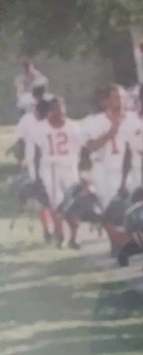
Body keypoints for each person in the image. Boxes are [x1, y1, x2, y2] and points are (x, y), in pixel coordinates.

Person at [31, 97, 83, 249]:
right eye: (55, 109)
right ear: (49, 111)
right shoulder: (41, 128)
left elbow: (83, 148)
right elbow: (37, 153)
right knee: (56, 203)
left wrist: (84, 170)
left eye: (61, 108)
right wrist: (37, 176)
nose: (59, 112)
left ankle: (74, 237)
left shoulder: (73, 126)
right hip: (51, 167)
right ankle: (61, 234)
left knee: (73, 203)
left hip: (70, 166)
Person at [16, 99, 54, 241]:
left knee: (43, 200)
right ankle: (52, 228)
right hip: (51, 165)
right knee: (51, 199)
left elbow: (21, 142)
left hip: (39, 165)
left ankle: (48, 229)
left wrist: (21, 161)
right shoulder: (52, 125)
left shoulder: (31, 123)